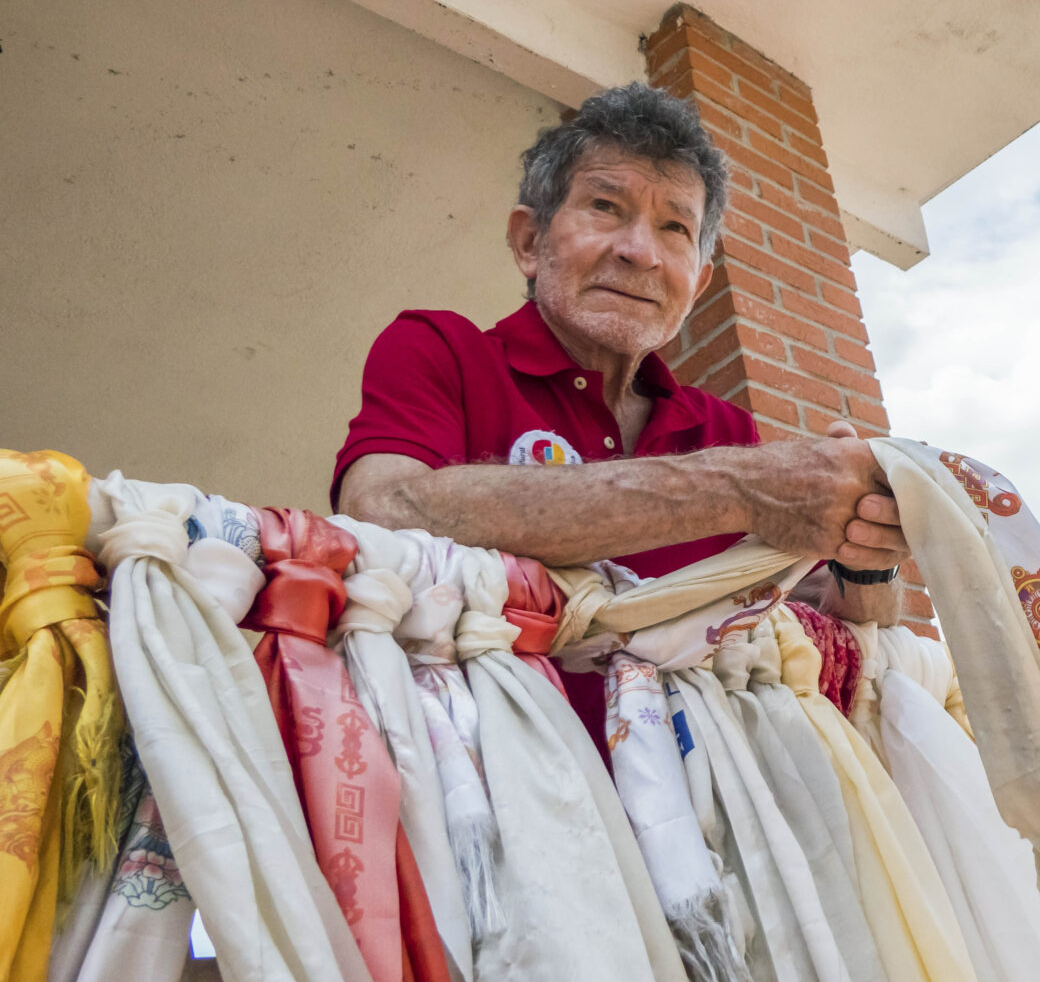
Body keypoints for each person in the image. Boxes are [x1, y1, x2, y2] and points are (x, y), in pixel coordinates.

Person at [333, 82, 908, 743]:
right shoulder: (442, 349)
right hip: (473, 768)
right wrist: (738, 487)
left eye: (675, 227)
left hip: (696, 789)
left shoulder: (722, 429)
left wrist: (865, 540)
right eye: (606, 206)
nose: (641, 251)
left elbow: (808, 622)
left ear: (698, 281)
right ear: (529, 241)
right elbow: (380, 509)